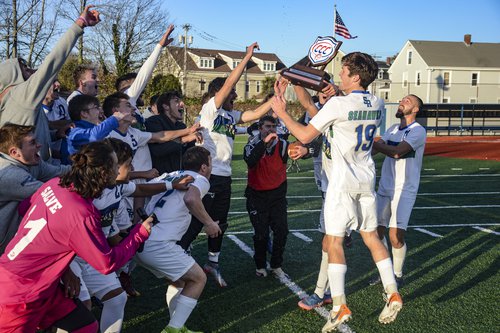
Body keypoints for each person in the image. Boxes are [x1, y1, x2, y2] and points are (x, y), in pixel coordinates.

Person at [272, 52, 403, 332]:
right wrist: (301, 81)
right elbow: (320, 111)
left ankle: (339, 303)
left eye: (343, 72)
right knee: (371, 237)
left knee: (333, 243)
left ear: (355, 76)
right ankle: (392, 291)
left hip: (341, 183)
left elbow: (306, 134)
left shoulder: (340, 104)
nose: (339, 76)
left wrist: (282, 112)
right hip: (366, 179)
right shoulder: (378, 103)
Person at [0, 140, 153, 332]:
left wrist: (64, 269)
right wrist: (139, 234)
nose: (119, 170)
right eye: (115, 165)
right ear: (104, 173)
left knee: (86, 326)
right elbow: (106, 263)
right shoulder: (81, 213)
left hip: (36, 284)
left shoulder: (55, 184)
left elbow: (25, 208)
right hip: (19, 295)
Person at [177, 42, 280, 287]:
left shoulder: (230, 117)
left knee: (220, 223)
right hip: (205, 176)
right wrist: (246, 59)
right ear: (219, 94)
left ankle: (212, 263)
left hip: (223, 176)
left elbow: (255, 114)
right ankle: (181, 259)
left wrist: (276, 97)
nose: (235, 97)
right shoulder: (210, 110)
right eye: (231, 94)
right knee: (196, 220)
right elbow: (228, 85)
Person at [72, 138, 192, 333]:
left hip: (92, 256)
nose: (133, 168)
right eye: (129, 165)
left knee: (117, 298)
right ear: (111, 167)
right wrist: (135, 237)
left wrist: (172, 186)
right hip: (72, 258)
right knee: (80, 309)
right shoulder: (88, 195)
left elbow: (140, 189)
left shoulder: (116, 187)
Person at [135, 146, 221, 333]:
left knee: (180, 281)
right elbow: (191, 199)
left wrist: (138, 220)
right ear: (204, 167)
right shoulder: (200, 179)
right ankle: (174, 329)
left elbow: (139, 191)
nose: (212, 167)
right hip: (159, 244)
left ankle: (177, 325)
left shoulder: (170, 174)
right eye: (211, 162)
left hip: (142, 241)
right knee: (198, 279)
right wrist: (209, 223)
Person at [0, 5, 100, 161]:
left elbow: (32, 134)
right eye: (25, 70)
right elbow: (53, 61)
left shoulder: (23, 103)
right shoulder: (20, 96)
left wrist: (54, 135)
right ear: (11, 78)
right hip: (30, 176)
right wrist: (80, 24)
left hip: (40, 168)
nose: (33, 72)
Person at [371, 94, 426, 287]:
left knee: (395, 237)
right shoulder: (393, 128)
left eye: (407, 101)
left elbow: (397, 152)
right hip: (385, 187)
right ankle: (386, 273)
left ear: (416, 110)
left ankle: (398, 274)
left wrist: (376, 143)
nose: (402, 102)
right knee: (376, 234)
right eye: (401, 99)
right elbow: (374, 150)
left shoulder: (418, 131)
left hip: (405, 190)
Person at [0, 124, 70, 255]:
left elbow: (61, 172)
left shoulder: (31, 161)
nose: (39, 145)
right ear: (14, 152)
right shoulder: (10, 175)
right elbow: (53, 194)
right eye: (32, 143)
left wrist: (89, 168)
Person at [244, 116, 295, 278]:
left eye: (274, 126)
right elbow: (251, 161)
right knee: (261, 234)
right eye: (267, 126)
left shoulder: (283, 145)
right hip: (256, 195)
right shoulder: (251, 144)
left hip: (277, 195)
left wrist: (304, 149)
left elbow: (299, 151)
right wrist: (264, 143)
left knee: (282, 230)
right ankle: (260, 265)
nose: (271, 129)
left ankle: (276, 265)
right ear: (260, 128)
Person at [146, 91, 201, 174]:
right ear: (166, 106)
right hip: (160, 180)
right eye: (176, 101)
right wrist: (184, 139)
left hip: (180, 178)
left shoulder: (181, 126)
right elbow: (158, 150)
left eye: (181, 101)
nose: (182, 104)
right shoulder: (154, 121)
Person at [67, 94, 133, 155]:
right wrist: (115, 118)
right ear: (84, 113)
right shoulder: (74, 133)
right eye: (96, 108)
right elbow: (93, 137)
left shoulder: (97, 129)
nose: (101, 111)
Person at [42, 79, 72, 164]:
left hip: (63, 159)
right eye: (53, 81)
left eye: (58, 81)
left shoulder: (61, 101)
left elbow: (71, 122)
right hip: (46, 164)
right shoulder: (34, 109)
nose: (58, 84)